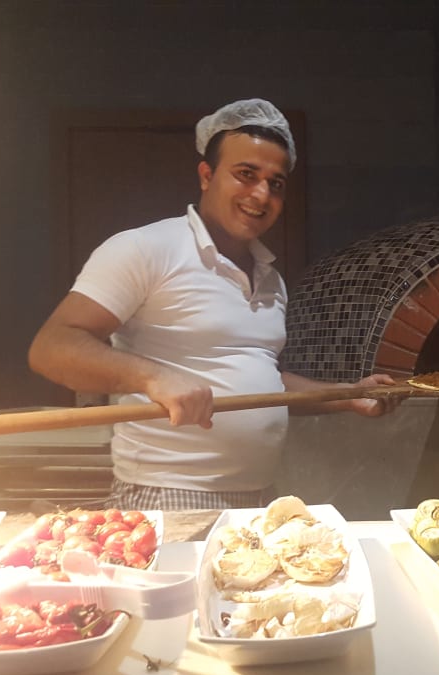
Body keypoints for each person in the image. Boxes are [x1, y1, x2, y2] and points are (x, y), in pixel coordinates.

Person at [28, 98, 399, 511]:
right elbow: (52, 347)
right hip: (168, 495)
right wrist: (154, 378)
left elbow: (263, 380)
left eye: (276, 183)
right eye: (246, 174)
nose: (261, 194)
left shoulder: (271, 279)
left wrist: (349, 394)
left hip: (260, 496)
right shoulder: (146, 249)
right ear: (206, 175)